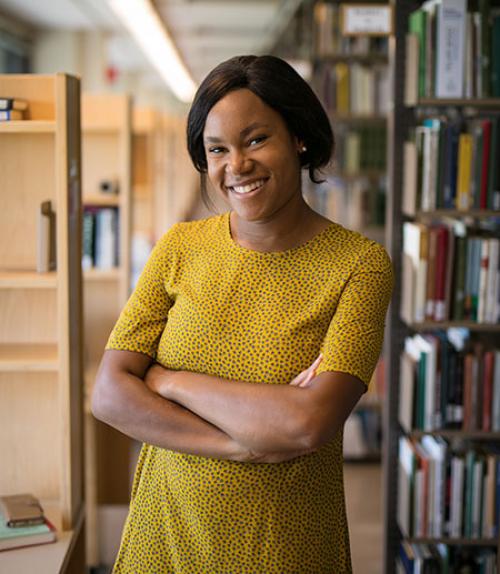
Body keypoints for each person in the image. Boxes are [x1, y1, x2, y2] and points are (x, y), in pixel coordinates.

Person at [92, 54, 394, 574]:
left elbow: (306, 423)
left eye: (256, 140)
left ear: (298, 136)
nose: (237, 165)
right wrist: (241, 445)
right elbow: (110, 395)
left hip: (285, 547)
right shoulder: (181, 246)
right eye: (217, 149)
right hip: (164, 539)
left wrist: (169, 381)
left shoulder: (359, 265)